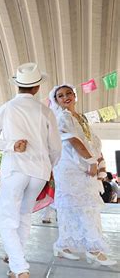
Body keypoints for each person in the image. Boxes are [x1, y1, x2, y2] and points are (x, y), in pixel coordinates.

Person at [0, 62, 62, 278]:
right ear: (37, 88)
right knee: (25, 214)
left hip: (15, 168)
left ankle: (20, 268)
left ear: (17, 85)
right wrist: (49, 166)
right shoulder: (46, 111)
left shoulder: (7, 108)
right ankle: (15, 257)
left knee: (8, 218)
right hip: (40, 170)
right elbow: (56, 147)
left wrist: (10, 145)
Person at [49, 83, 117, 266]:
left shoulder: (80, 117)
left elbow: (91, 142)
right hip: (70, 168)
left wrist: (99, 162)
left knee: (78, 207)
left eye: (69, 93)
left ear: (75, 96)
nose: (66, 97)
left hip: (82, 166)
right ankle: (94, 249)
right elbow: (72, 140)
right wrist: (91, 161)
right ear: (56, 101)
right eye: (60, 95)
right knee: (84, 206)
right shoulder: (62, 117)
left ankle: (63, 245)